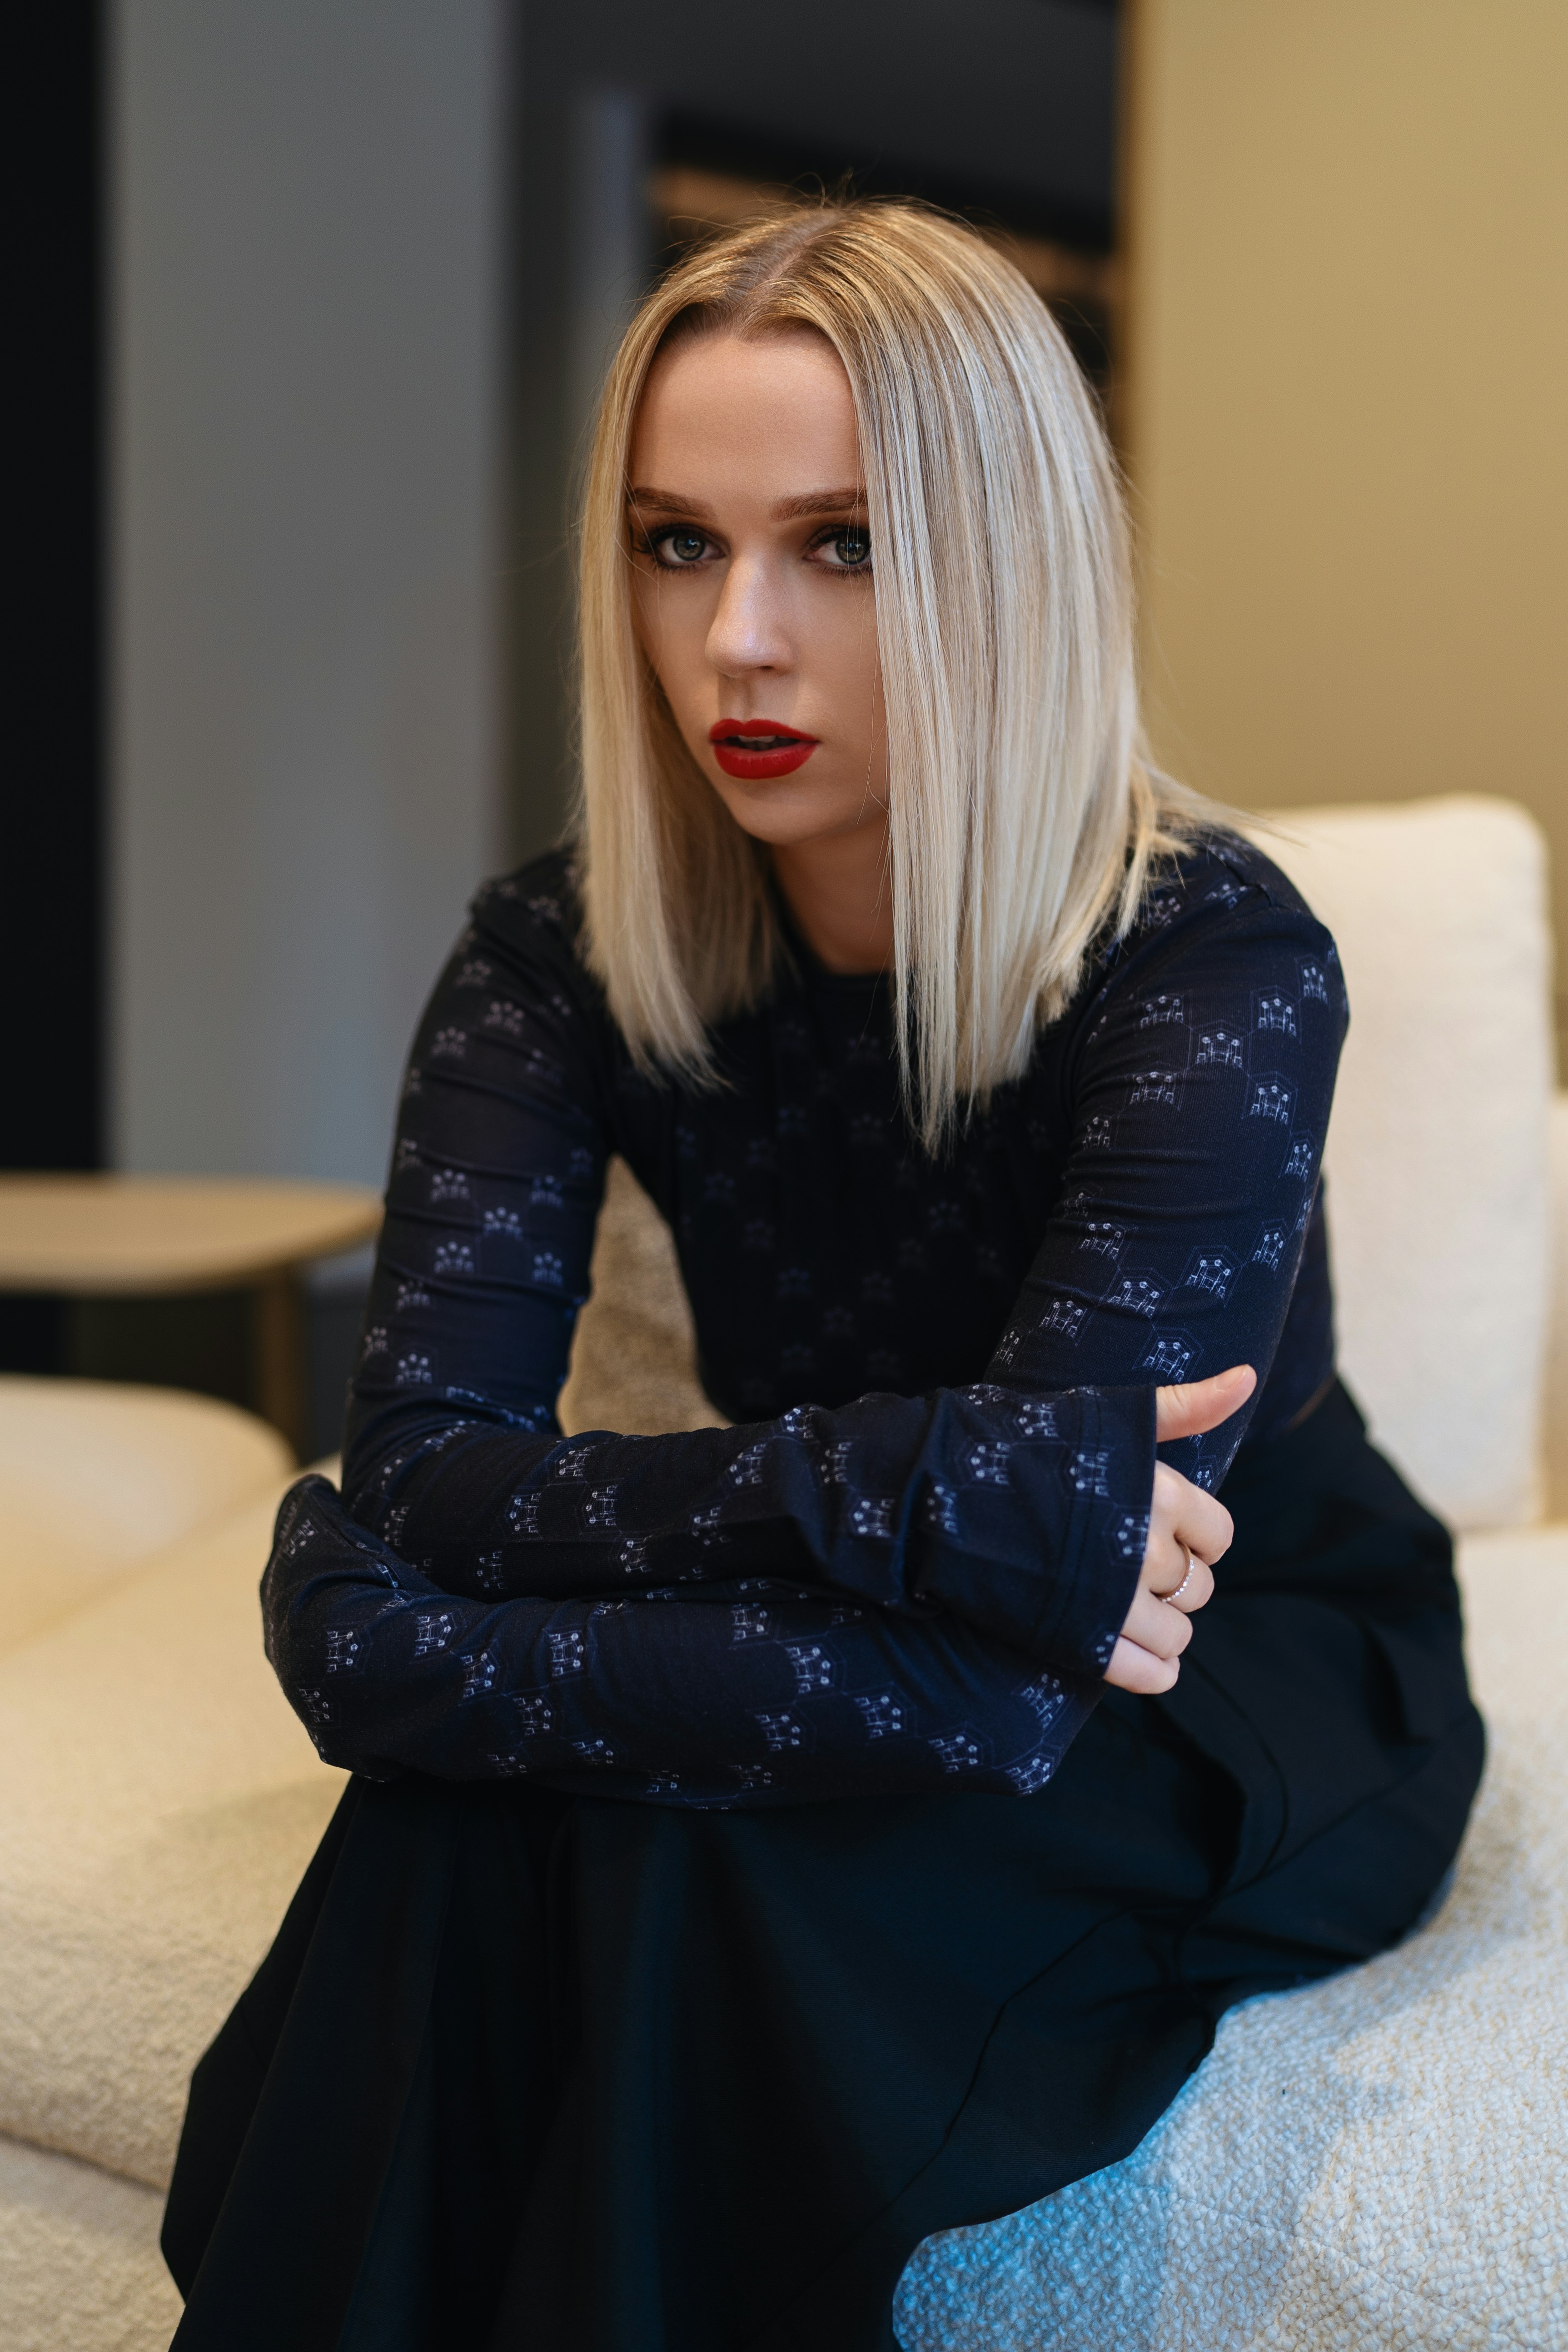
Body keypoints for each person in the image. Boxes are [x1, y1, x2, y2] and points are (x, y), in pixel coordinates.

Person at [160, 200, 1481, 2352]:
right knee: (464, 1834)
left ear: (1005, 565)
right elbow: (416, 1470)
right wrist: (902, 1485)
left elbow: (1008, 1665)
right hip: (832, 1582)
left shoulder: (1210, 959)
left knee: (657, 1849)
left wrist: (407, 1668)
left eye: (842, 545)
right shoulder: (550, 952)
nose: (734, 648)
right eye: (677, 542)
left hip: (1212, 1649)